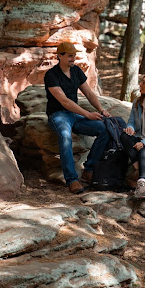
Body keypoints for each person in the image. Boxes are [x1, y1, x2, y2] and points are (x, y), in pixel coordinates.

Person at [45, 42, 111, 194]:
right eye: (69, 56)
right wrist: (87, 114)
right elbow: (64, 101)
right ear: (59, 56)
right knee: (65, 136)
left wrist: (101, 110)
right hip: (58, 115)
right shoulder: (51, 75)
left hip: (74, 115)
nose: (73, 58)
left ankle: (88, 170)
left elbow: (89, 93)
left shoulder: (76, 71)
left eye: (74, 55)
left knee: (104, 129)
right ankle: (72, 180)